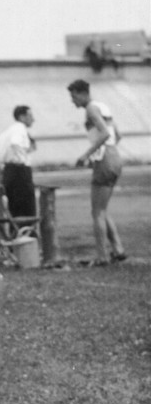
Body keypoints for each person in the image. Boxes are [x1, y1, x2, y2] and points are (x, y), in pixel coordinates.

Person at [67, 79, 127, 266]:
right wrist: (106, 152)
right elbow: (117, 135)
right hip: (115, 157)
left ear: (83, 93)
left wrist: (86, 155)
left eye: (74, 96)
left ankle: (102, 256)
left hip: (105, 159)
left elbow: (105, 134)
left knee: (96, 212)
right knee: (102, 209)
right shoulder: (103, 106)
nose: (73, 101)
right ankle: (118, 249)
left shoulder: (91, 109)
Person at [0, 106, 38, 219]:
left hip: (9, 171)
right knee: (27, 209)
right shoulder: (20, 128)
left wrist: (2, 163)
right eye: (30, 116)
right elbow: (15, 143)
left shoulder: (9, 130)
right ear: (22, 117)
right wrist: (23, 161)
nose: (33, 119)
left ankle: (16, 234)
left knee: (15, 209)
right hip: (20, 172)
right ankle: (27, 235)